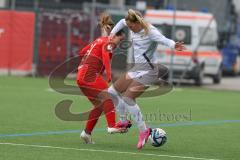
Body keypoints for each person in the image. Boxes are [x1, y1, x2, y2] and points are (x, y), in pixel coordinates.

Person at [108, 9, 186, 149]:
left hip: (150, 71)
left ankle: (144, 131)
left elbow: (164, 40)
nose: (130, 28)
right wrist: (112, 33)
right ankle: (124, 122)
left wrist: (174, 45)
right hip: (137, 68)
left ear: (138, 23)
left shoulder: (150, 31)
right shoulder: (130, 23)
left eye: (131, 26)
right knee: (112, 91)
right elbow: (121, 22)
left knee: (128, 98)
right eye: (129, 26)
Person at [77, 13, 131, 144]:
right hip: (90, 76)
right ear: (115, 35)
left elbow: (82, 52)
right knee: (108, 97)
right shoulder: (109, 42)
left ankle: (86, 133)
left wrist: (86, 63)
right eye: (120, 40)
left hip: (81, 76)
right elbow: (106, 56)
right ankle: (112, 125)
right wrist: (108, 73)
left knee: (100, 106)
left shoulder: (98, 40)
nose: (119, 43)